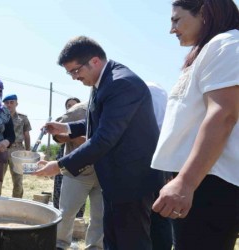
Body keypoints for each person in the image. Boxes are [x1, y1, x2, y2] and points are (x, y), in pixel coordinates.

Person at [34, 36, 164, 250]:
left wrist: (58, 166)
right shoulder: (102, 81)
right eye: (70, 73)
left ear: (94, 61)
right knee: (112, 240)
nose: (74, 77)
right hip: (115, 180)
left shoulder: (122, 83)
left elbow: (104, 137)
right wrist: (67, 128)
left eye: (76, 71)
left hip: (132, 182)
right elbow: (99, 121)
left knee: (131, 242)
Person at [151, 1, 239, 249]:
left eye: (176, 20)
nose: (172, 29)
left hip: (210, 183)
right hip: (201, 179)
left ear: (204, 12)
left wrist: (186, 182)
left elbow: (223, 115)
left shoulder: (227, 44)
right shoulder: (212, 49)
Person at [54, 101, 104, 250]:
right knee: (67, 212)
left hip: (104, 172)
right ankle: (60, 245)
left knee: (100, 215)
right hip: (78, 172)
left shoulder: (111, 106)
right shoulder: (79, 110)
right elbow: (57, 135)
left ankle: (95, 247)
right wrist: (81, 139)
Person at [146, 82, 173, 250]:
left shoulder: (148, 92)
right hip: (164, 161)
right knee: (161, 216)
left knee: (156, 216)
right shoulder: (160, 93)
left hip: (152, 162)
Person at [0, 94, 31, 198]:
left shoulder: (23, 118)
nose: (9, 105)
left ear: (16, 103)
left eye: (12, 102)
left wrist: (28, 151)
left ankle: (17, 203)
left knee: (18, 181)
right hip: (2, 150)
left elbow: (27, 135)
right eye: (7, 102)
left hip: (18, 150)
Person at [52, 97, 81, 211]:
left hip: (80, 157)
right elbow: (56, 137)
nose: (72, 108)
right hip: (63, 154)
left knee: (76, 192)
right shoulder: (63, 121)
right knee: (59, 188)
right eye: (69, 106)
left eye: (74, 105)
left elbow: (85, 140)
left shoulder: (87, 123)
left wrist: (67, 136)